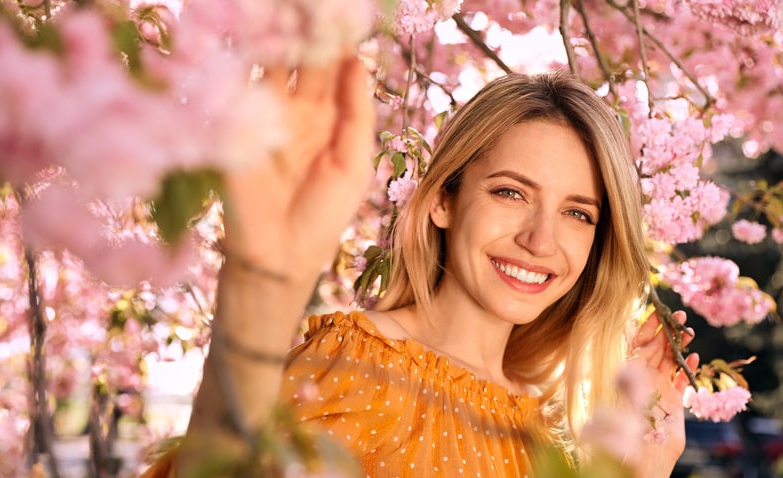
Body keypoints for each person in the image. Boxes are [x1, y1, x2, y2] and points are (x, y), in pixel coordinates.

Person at [143, 53, 698, 477]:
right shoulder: (355, 366)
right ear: (442, 200)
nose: (540, 239)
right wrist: (258, 283)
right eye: (510, 193)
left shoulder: (542, 438)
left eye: (578, 213)